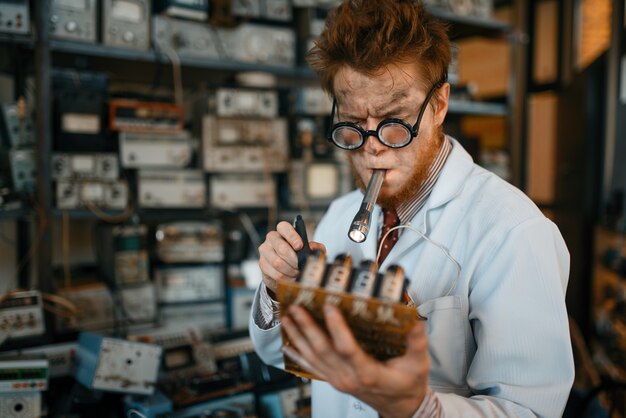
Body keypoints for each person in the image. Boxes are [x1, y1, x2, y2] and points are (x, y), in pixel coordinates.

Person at [248, 1, 575, 417]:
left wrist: (418, 408)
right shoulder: (338, 216)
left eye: (394, 121)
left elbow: (530, 411)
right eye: (352, 123)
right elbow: (286, 357)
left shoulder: (513, 232)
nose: (372, 148)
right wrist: (278, 294)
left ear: (439, 106)